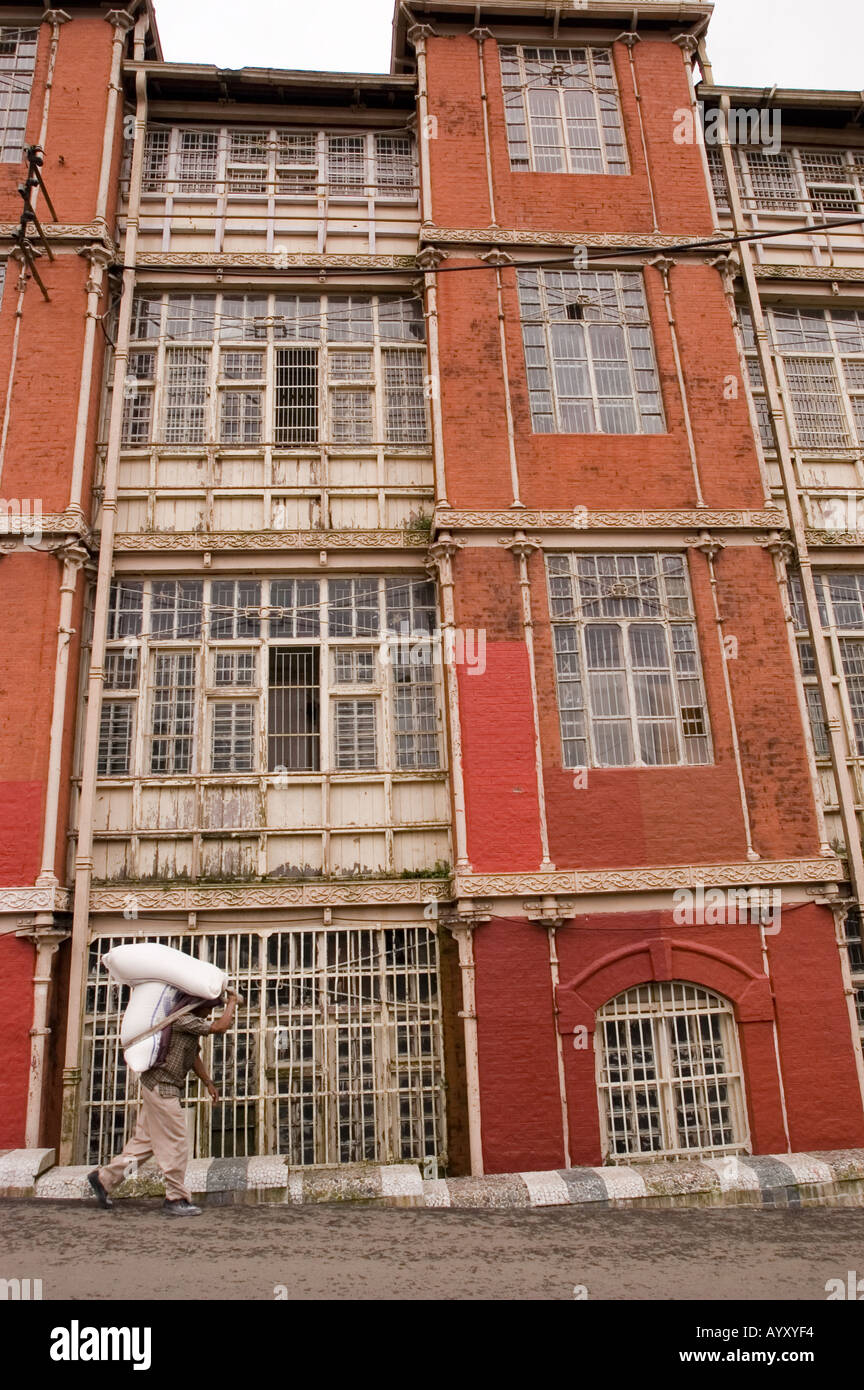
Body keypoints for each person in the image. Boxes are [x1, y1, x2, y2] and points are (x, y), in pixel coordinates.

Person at [88, 989, 238, 1217]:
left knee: (144, 1144)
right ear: (196, 1004)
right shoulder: (183, 1019)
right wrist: (232, 1003)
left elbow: (194, 1056)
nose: (210, 1012)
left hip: (156, 1086)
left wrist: (207, 1081)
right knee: (176, 1141)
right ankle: (175, 1197)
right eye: (209, 1006)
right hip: (163, 1087)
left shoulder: (189, 1022)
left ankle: (104, 1179)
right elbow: (220, 1027)